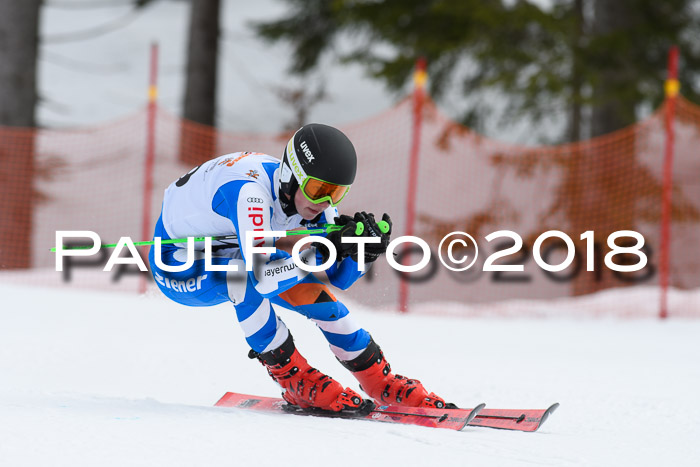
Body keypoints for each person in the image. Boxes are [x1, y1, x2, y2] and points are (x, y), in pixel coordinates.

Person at [149, 123, 450, 412]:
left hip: (232, 249)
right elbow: (263, 279)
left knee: (317, 296)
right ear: (291, 176)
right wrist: (325, 248)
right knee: (240, 278)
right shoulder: (249, 194)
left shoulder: (314, 200)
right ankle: (292, 377)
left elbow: (337, 278)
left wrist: (359, 251)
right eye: (319, 188)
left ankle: (379, 381)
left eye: (337, 192)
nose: (325, 202)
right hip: (177, 263)